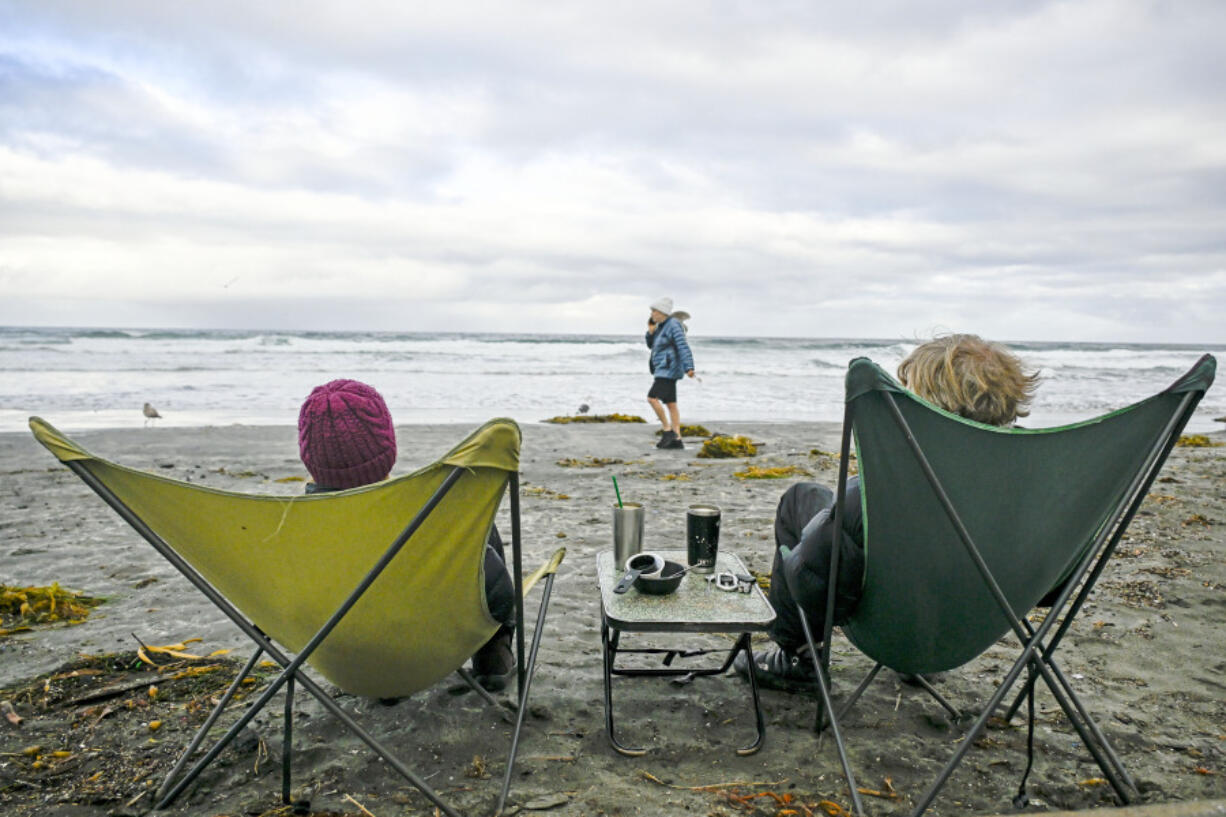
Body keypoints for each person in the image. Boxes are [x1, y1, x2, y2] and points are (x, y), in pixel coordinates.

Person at [735, 334, 1040, 692]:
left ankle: (798, 656)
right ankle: (918, 668)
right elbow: (1050, 586)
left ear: (926, 404)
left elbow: (814, 582)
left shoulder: (881, 492)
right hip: (963, 627)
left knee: (801, 499)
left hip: (890, 627)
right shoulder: (1030, 489)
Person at [297, 379, 517, 692]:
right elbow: (501, 594)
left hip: (341, 655)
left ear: (309, 455)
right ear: (388, 448)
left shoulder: (291, 530)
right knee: (478, 534)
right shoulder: (432, 518)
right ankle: (493, 653)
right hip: (425, 651)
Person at [645, 297, 696, 449]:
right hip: (662, 368)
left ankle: (668, 431)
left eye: (654, 311)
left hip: (668, 368)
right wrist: (650, 332)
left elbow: (682, 345)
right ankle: (677, 439)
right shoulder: (661, 326)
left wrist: (689, 367)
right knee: (671, 404)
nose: (652, 314)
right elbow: (651, 345)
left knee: (652, 398)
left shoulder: (673, 324)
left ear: (663, 312)